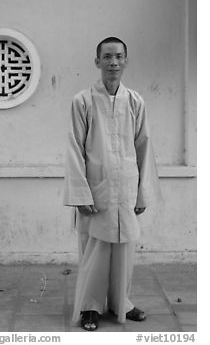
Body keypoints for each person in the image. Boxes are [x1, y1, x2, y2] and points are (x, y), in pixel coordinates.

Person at [63, 36, 160, 331]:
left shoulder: (136, 101)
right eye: (107, 57)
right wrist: (80, 192)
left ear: (126, 61)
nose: (113, 62)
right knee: (96, 250)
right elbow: (73, 148)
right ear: (97, 62)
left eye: (118, 56)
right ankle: (90, 307)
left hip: (127, 187)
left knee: (124, 250)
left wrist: (142, 192)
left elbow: (143, 146)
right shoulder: (82, 101)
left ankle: (121, 303)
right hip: (96, 188)